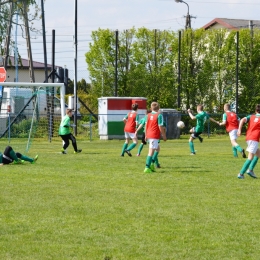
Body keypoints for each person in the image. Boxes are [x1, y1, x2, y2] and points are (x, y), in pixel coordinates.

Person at [237, 104, 260, 179]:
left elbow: (242, 120)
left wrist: (239, 129)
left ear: (255, 110)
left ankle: (250, 170)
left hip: (249, 137)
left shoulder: (251, 116)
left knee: (258, 154)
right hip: (254, 138)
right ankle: (241, 174)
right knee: (250, 157)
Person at [143, 102, 166, 173]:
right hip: (154, 135)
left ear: (151, 108)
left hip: (149, 134)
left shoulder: (148, 115)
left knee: (158, 149)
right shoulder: (159, 115)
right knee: (151, 152)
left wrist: (146, 135)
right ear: (158, 108)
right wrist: (164, 135)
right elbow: (160, 126)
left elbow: (146, 126)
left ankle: (152, 164)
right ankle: (147, 167)